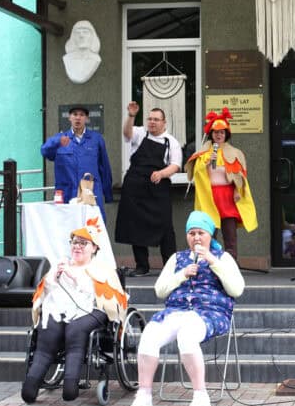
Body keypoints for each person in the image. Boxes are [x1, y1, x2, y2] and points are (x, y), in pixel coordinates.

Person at [128, 211, 244, 406]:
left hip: (211, 313)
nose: (196, 238)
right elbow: (160, 290)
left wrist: (212, 262)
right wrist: (181, 274)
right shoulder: (177, 258)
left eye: (201, 233)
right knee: (149, 335)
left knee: (187, 336)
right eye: (192, 233)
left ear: (210, 235)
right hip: (176, 311)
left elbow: (236, 289)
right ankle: (144, 393)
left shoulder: (222, 257)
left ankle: (201, 396)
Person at [21, 217, 127, 404]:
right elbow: (45, 292)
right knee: (49, 329)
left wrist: (75, 276)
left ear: (94, 247)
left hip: (93, 310)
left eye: (83, 243)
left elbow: (104, 298)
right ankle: (31, 385)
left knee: (75, 329)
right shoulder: (61, 264)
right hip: (60, 310)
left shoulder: (102, 268)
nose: (77, 247)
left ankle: (71, 384)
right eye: (74, 243)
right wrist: (54, 277)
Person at [115, 102, 182, 277]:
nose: (152, 122)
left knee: (166, 227)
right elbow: (126, 133)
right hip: (135, 187)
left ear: (164, 123)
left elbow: (175, 165)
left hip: (158, 189)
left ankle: (170, 266)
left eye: (156, 120)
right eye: (150, 119)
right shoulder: (139, 133)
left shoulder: (171, 142)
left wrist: (161, 173)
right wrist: (130, 115)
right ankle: (141, 266)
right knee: (135, 225)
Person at [185, 108, 257, 260]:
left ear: (226, 135)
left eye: (222, 132)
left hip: (228, 196)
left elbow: (240, 176)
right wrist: (206, 162)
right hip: (209, 196)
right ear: (211, 134)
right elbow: (196, 174)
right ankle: (208, 261)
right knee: (208, 230)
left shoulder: (235, 153)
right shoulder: (204, 153)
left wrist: (238, 191)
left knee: (229, 231)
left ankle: (231, 260)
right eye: (216, 132)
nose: (219, 135)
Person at [41, 105, 113, 222]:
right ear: (69, 118)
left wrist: (108, 194)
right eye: (75, 115)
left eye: (81, 115)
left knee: (94, 229)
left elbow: (104, 167)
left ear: (87, 119)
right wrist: (57, 142)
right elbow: (44, 151)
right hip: (68, 193)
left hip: (91, 193)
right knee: (68, 230)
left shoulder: (96, 139)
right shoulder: (60, 138)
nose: (78, 118)